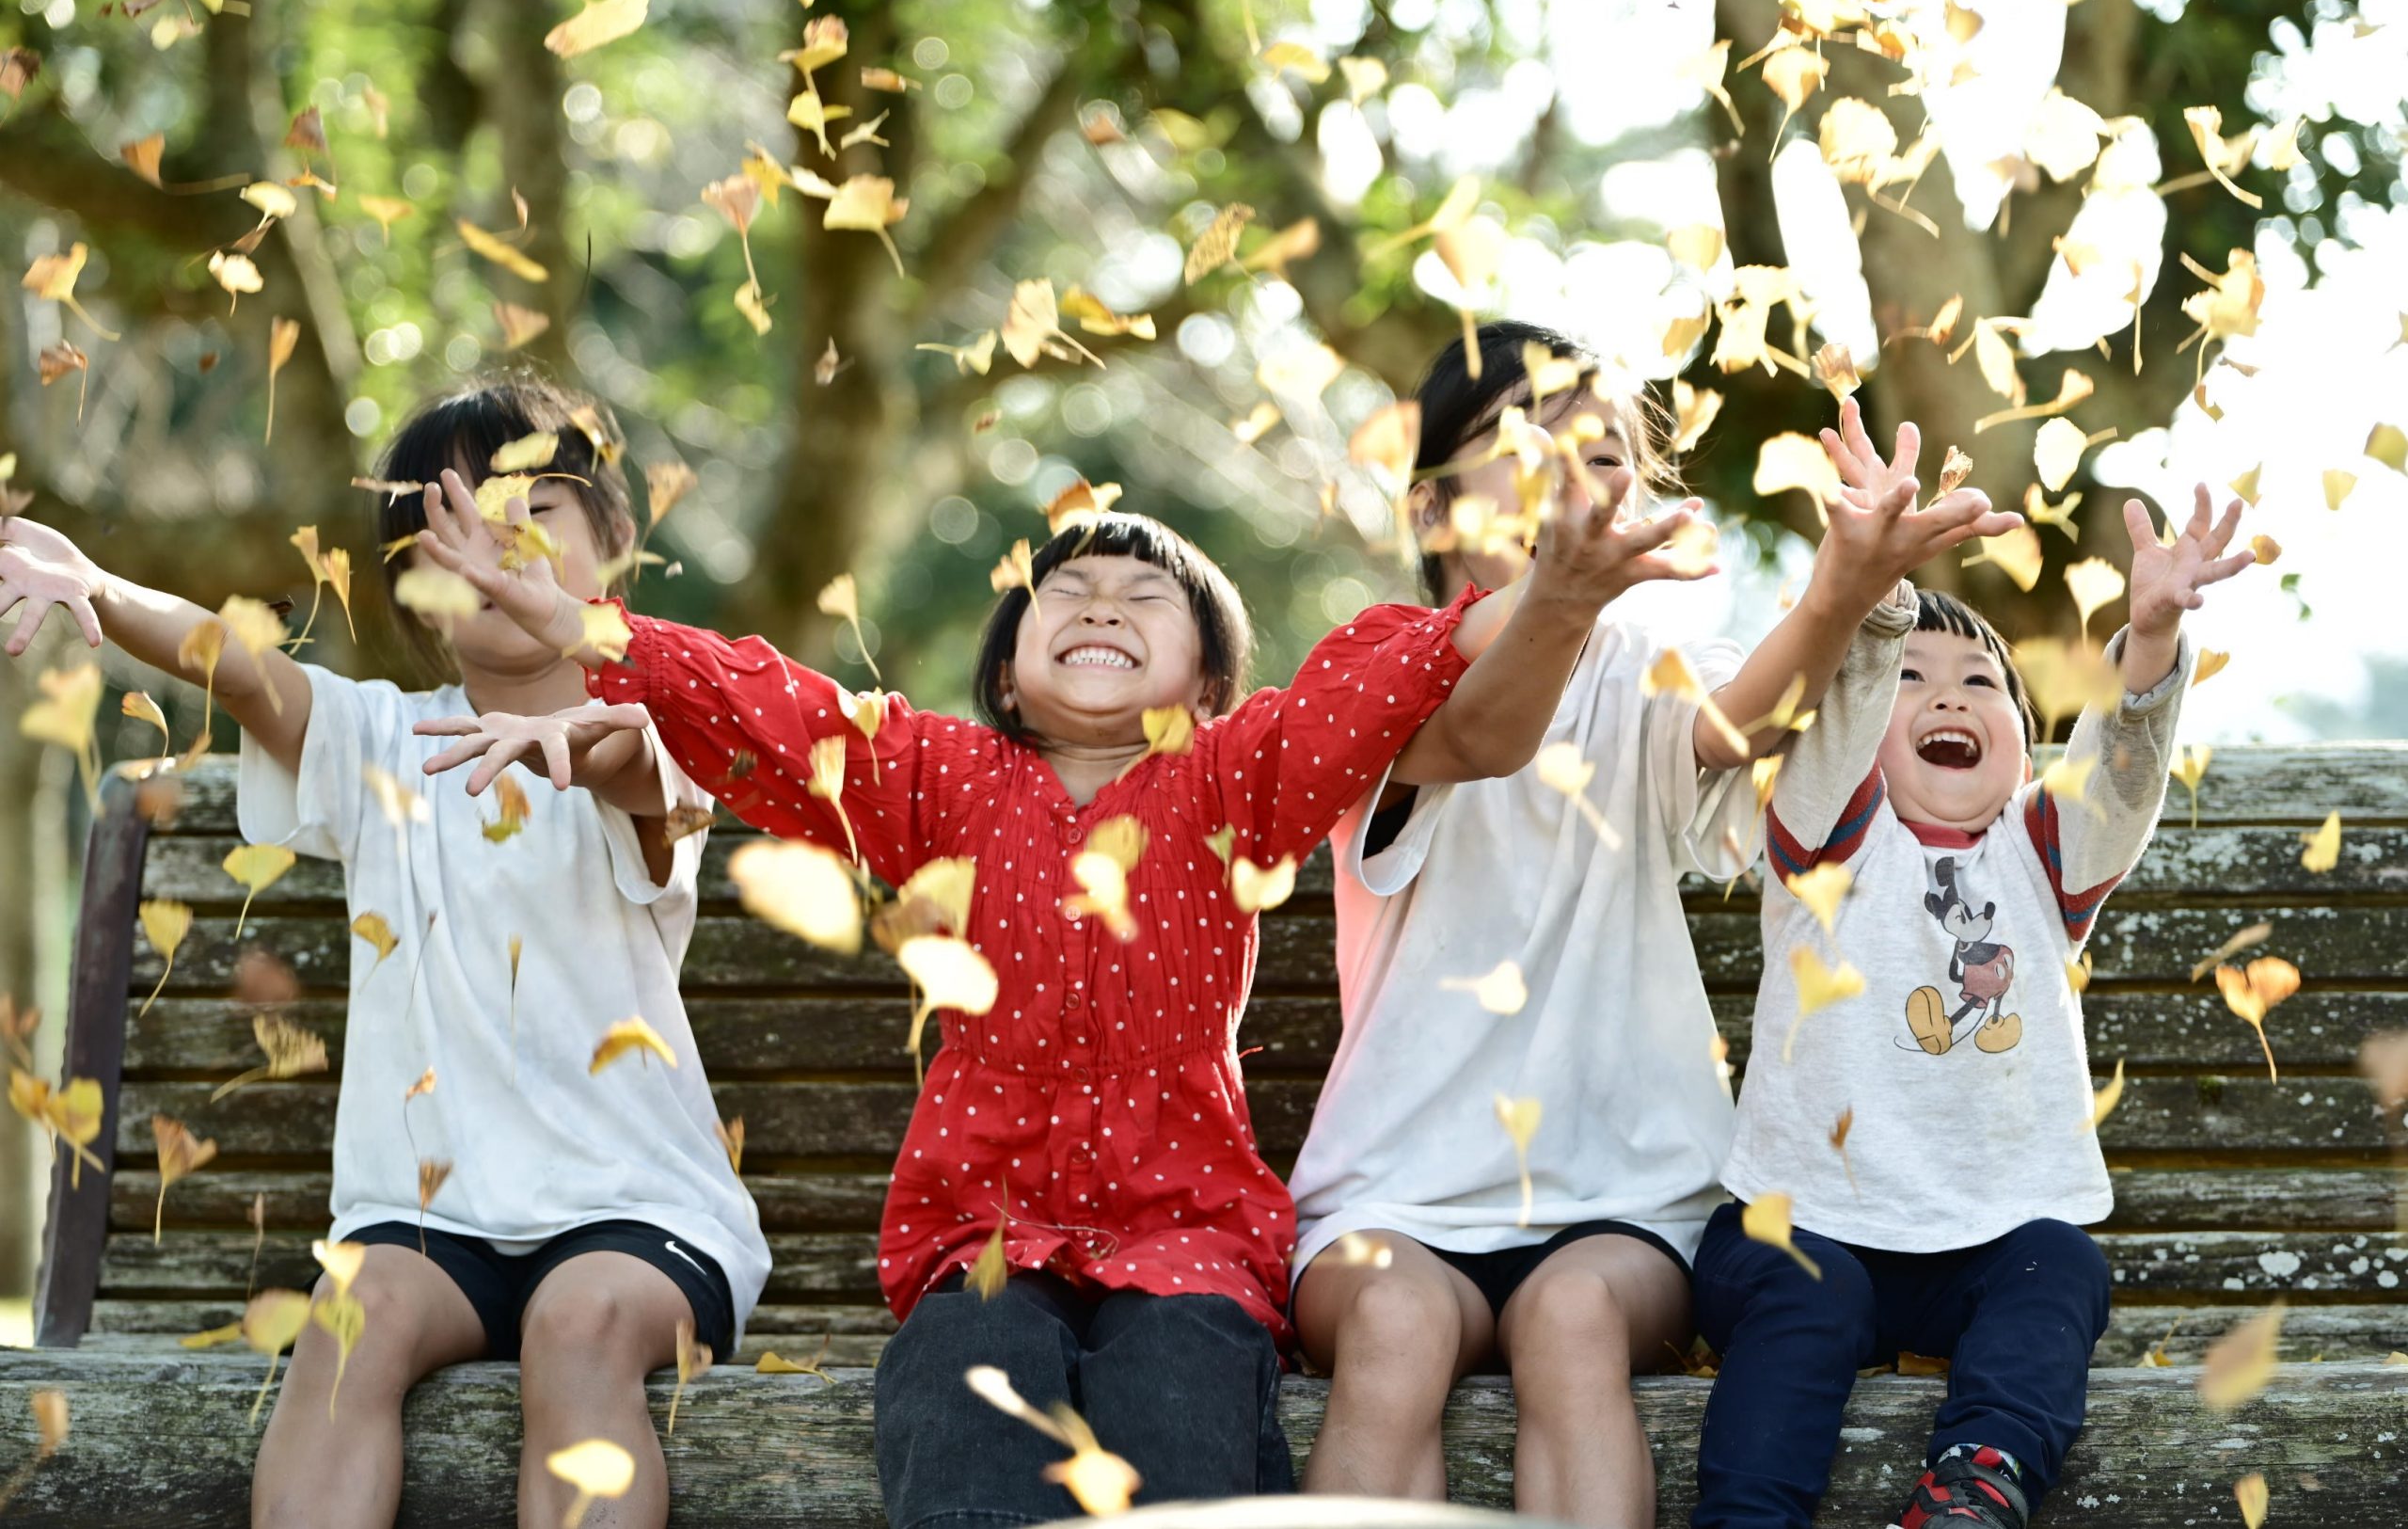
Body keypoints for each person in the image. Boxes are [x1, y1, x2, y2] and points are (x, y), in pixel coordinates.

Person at [405, 442, 1665, 1526]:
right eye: (1068, 588)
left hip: (1188, 1239)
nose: (1103, 599)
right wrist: (575, 621)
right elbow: (773, 708)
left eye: (1146, 593)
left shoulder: (1235, 777)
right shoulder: (936, 776)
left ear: (1211, 687)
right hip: (985, 1232)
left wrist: (1553, 584)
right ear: (1009, 671)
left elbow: (1387, 680)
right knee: (963, 1370)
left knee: (1185, 1394)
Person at [1285, 321, 2022, 1526]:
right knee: (1391, 1328)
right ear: (1428, 512)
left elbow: (1742, 726)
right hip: (1391, 1200)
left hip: (1619, 1203)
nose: (1583, 460)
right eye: (1534, 432)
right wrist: (1556, 600)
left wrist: (1846, 585)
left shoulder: (1643, 671)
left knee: (1570, 1324)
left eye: (1612, 444)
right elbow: (1484, 731)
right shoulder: (1373, 673)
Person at [0, 378, 769, 1529]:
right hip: (425, 1224)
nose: (493, 546)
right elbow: (247, 670)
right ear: (414, 590)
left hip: (636, 1217)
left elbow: (632, 773)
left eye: (530, 513)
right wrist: (99, 588)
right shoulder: (379, 739)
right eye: (450, 529)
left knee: (578, 1329)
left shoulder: (652, 741)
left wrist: (574, 734)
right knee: (345, 1324)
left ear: (616, 544)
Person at [1692, 484, 2251, 1529]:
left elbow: (2120, 778)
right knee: (1814, 1300)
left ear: (2023, 738)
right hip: (1795, 1230)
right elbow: (1830, 730)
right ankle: (1745, 1518)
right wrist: (1878, 607)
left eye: (1978, 682)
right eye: (1912, 680)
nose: (1948, 697)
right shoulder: (1829, 836)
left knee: (2064, 1267)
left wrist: (2152, 631)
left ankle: (1975, 1484)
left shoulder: (2043, 855)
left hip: (1977, 1248)